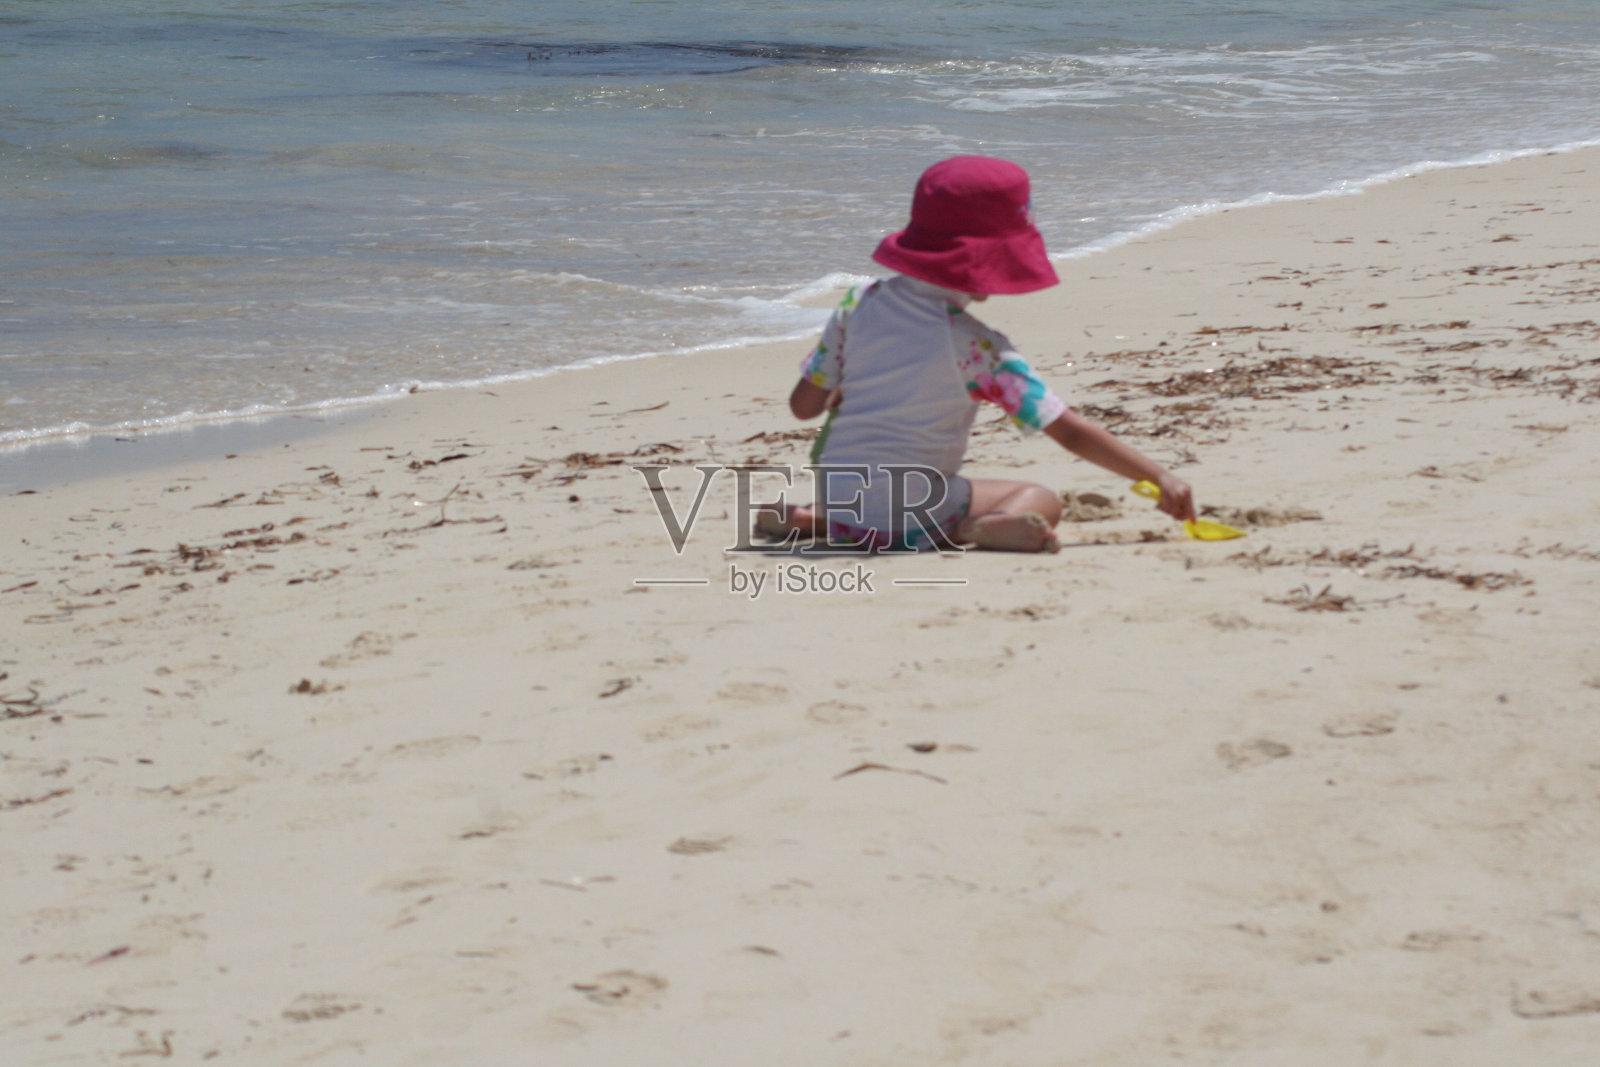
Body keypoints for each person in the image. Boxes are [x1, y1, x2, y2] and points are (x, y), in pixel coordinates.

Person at [769, 154, 1198, 553]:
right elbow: (1068, 431)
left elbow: (803, 407)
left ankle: (813, 518)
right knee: (1038, 497)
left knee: (875, 495)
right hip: (917, 515)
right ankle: (968, 529)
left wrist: (846, 389)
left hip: (843, 505)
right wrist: (1157, 476)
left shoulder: (856, 304)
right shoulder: (976, 346)